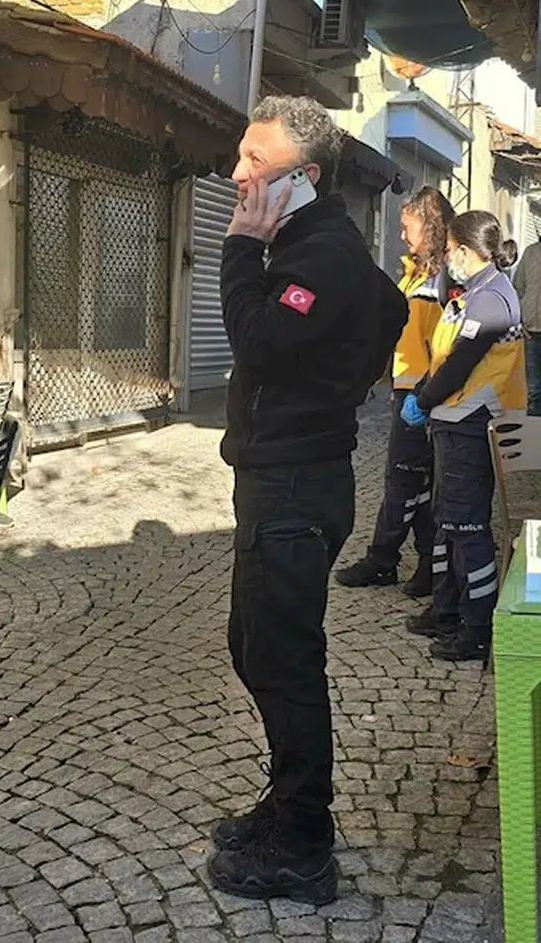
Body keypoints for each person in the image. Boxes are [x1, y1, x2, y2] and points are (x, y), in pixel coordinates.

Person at [209, 96, 408, 906]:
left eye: (256, 163)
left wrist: (236, 249)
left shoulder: (319, 253)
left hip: (294, 484)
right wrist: (343, 380)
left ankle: (302, 842)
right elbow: (390, 306)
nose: (238, 175)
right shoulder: (318, 247)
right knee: (254, 646)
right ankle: (287, 800)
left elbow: (257, 343)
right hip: (284, 477)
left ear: (307, 177)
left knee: (285, 661)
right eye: (241, 156)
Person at [403, 212, 524, 662]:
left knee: (467, 527)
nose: (446, 258)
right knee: (448, 521)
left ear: (468, 252)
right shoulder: (471, 293)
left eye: (451, 250)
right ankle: (447, 609)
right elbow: (443, 355)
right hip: (455, 422)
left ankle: (477, 628)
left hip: (473, 425)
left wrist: (423, 400)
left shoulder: (491, 300)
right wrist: (425, 394)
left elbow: (460, 365)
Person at [335, 187, 453, 597]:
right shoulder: (415, 273)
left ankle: (386, 560)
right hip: (406, 388)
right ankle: (423, 562)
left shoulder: (441, 281)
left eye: (407, 227)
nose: (402, 235)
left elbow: (445, 344)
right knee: (413, 480)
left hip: (422, 393)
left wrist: (424, 394)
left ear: (429, 227)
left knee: (403, 479)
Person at [511, 238, 541, 414]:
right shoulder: (531, 252)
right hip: (530, 333)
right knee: (533, 390)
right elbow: (518, 288)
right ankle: (534, 428)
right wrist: (520, 321)